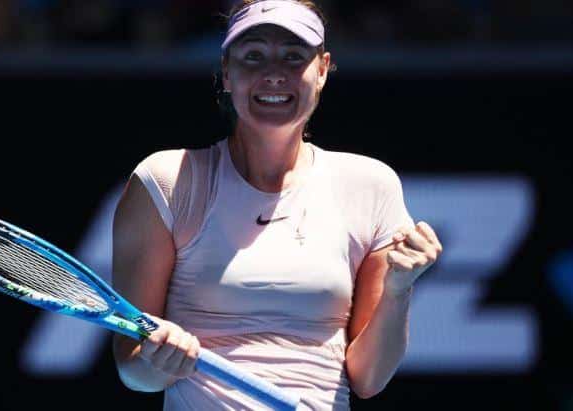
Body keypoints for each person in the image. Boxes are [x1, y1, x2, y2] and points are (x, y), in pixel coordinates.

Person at [111, 0, 443, 409]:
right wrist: (159, 360)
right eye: (253, 56)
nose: (273, 74)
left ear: (322, 70)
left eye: (293, 56)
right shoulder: (165, 181)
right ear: (227, 72)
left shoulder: (371, 186)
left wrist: (398, 290)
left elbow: (368, 377)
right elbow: (133, 371)